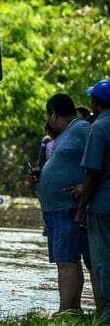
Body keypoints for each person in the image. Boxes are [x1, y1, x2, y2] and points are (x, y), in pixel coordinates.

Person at [35, 94, 97, 312]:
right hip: (59, 209)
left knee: (66, 262)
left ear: (54, 114)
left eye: (49, 115)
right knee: (69, 261)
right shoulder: (65, 134)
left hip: (68, 208)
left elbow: (100, 158)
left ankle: (64, 313)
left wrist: (83, 186)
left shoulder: (82, 129)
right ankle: (74, 310)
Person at [76, 79, 110, 322]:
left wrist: (80, 209)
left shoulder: (99, 128)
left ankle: (107, 313)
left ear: (96, 103)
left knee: (103, 260)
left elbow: (92, 173)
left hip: (103, 207)